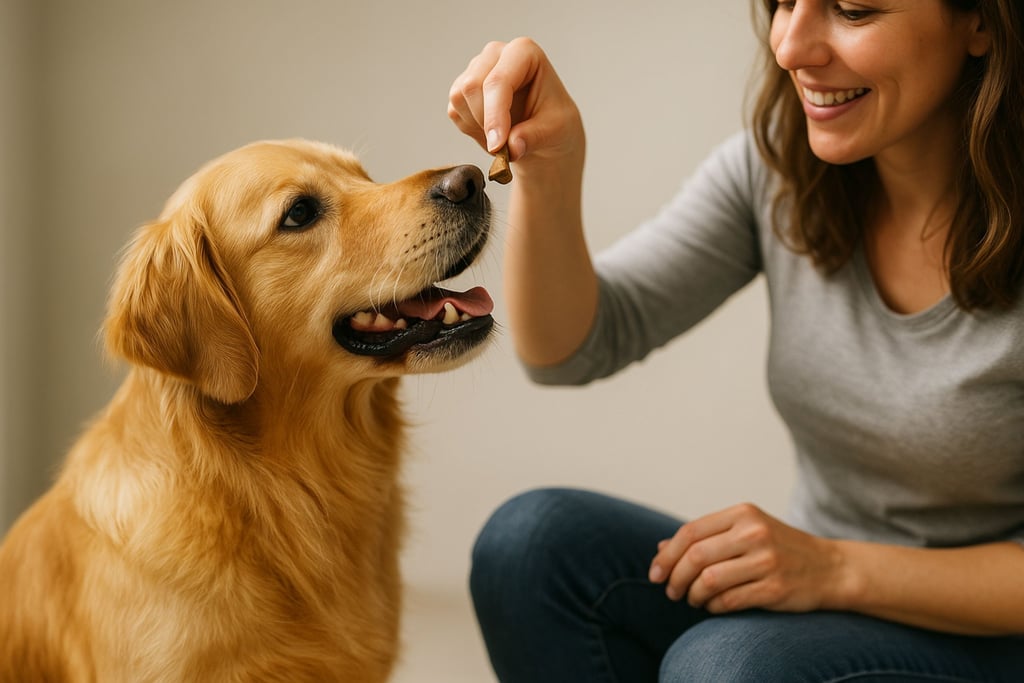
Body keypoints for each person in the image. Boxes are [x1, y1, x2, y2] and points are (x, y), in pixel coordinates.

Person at [447, 0, 1024, 681]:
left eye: (854, 10)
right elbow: (567, 349)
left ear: (983, 22)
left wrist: (832, 566)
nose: (789, 46)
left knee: (725, 665)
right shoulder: (778, 169)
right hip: (828, 602)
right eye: (783, 2)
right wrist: (548, 168)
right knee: (531, 544)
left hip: (996, 631)